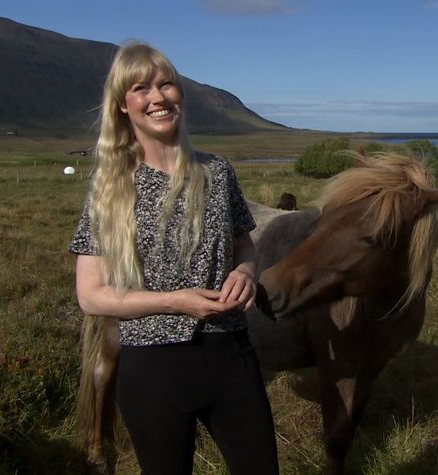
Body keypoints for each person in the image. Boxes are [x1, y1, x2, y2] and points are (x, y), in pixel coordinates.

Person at [69, 42, 279, 475]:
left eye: (167, 84)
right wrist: (175, 301)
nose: (158, 97)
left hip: (231, 355)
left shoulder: (217, 172)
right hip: (152, 368)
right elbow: (91, 296)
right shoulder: (110, 188)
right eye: (141, 88)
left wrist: (244, 272)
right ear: (123, 105)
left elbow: (244, 245)